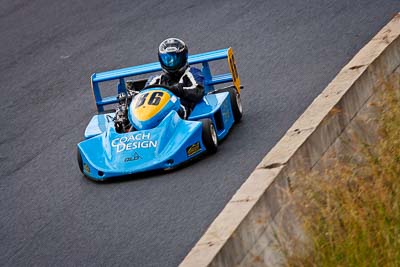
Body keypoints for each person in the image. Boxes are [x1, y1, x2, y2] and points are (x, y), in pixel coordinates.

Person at [114, 38, 204, 133]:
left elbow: (198, 91)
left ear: (183, 57)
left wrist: (178, 90)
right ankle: (129, 131)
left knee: (170, 115)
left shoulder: (192, 73)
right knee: (133, 115)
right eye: (167, 59)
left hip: (180, 113)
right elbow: (143, 95)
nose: (171, 62)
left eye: (174, 58)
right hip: (153, 113)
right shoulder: (155, 79)